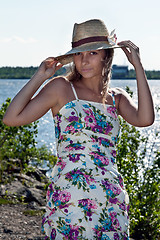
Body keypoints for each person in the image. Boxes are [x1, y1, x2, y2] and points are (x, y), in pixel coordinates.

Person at [3, 19, 154, 239]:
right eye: (78, 53)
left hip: (110, 199)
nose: (83, 61)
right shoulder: (61, 88)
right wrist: (40, 77)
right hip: (70, 198)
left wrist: (138, 66)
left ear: (107, 56)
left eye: (92, 53)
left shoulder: (117, 98)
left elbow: (146, 118)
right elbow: (11, 118)